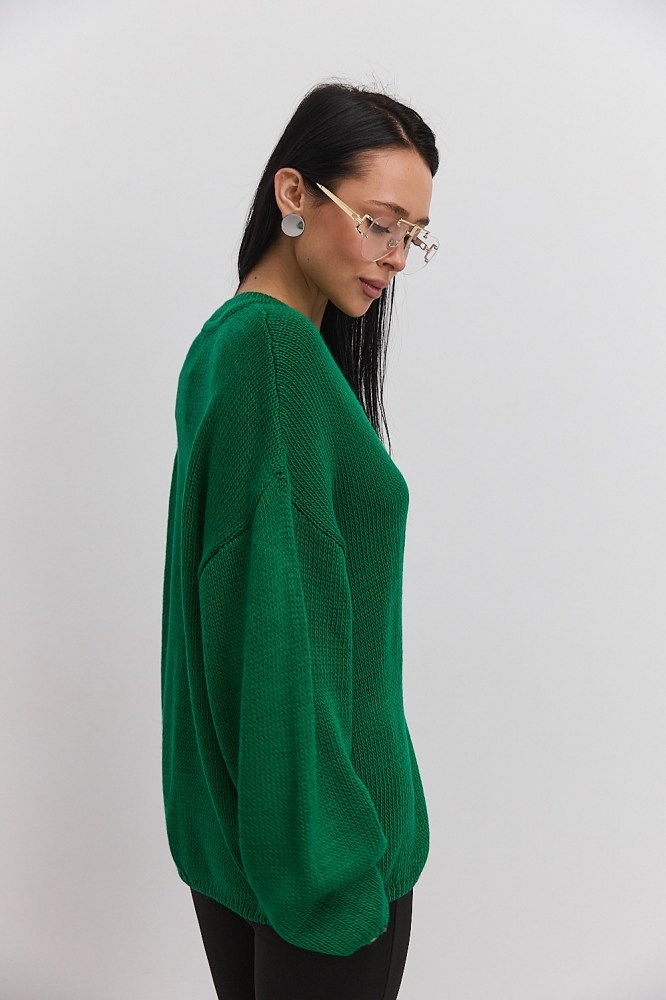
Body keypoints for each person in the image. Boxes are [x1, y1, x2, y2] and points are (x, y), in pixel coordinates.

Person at [161, 80, 439, 1000]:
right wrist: (332, 873)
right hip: (324, 867)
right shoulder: (273, 357)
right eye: (378, 222)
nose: (395, 256)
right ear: (294, 193)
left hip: (263, 849)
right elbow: (276, 638)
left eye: (413, 235)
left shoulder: (229, 345)